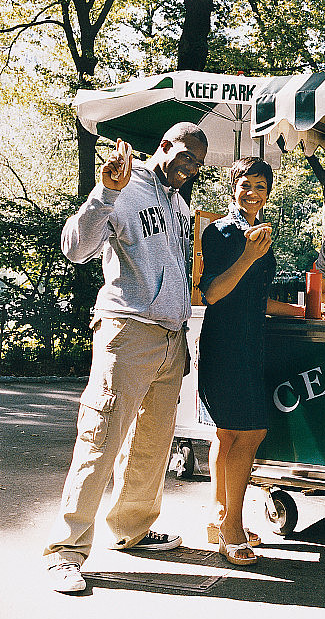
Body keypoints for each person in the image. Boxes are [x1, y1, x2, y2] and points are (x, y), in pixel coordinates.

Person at [44, 122, 208, 593]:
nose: (190, 168)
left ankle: (131, 528)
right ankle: (65, 551)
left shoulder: (179, 204)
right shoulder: (124, 186)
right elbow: (75, 249)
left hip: (170, 337)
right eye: (185, 157)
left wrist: (181, 335)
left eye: (197, 163)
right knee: (100, 439)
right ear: (164, 146)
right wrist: (104, 193)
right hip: (127, 331)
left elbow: (174, 271)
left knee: (152, 444)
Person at [198, 157, 304, 566]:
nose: (253, 193)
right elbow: (212, 293)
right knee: (252, 432)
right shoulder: (221, 231)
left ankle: (218, 515)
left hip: (249, 341)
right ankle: (232, 529)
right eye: (246, 184)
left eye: (261, 186)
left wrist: (301, 312)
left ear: (268, 193)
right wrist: (247, 256)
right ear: (233, 187)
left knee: (227, 434)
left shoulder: (259, 232)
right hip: (226, 344)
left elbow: (254, 298)